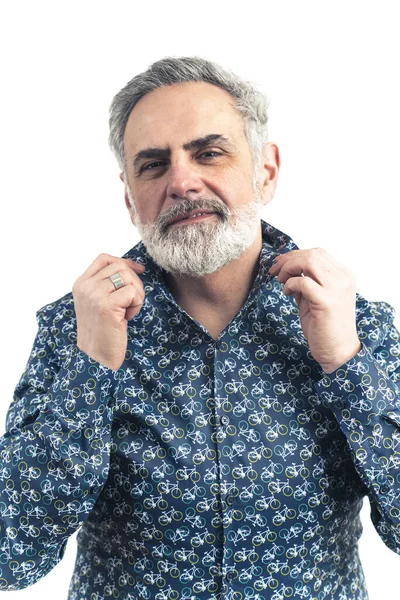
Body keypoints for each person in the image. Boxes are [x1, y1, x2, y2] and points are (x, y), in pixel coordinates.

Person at [0, 56, 399, 600]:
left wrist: (347, 365)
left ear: (266, 170)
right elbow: (11, 553)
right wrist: (89, 369)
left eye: (209, 153)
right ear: (129, 196)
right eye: (153, 164)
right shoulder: (76, 329)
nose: (183, 182)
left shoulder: (355, 324)